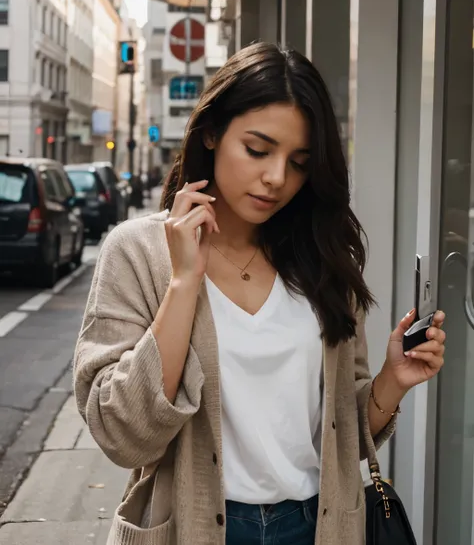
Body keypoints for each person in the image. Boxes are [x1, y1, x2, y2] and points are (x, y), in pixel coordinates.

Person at [74, 42, 446, 545]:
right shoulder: (139, 251)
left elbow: (343, 434)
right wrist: (184, 282)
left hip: (318, 525)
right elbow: (124, 434)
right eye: (257, 150)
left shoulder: (322, 257)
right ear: (211, 133)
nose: (277, 178)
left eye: (298, 162)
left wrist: (393, 382)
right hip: (192, 523)